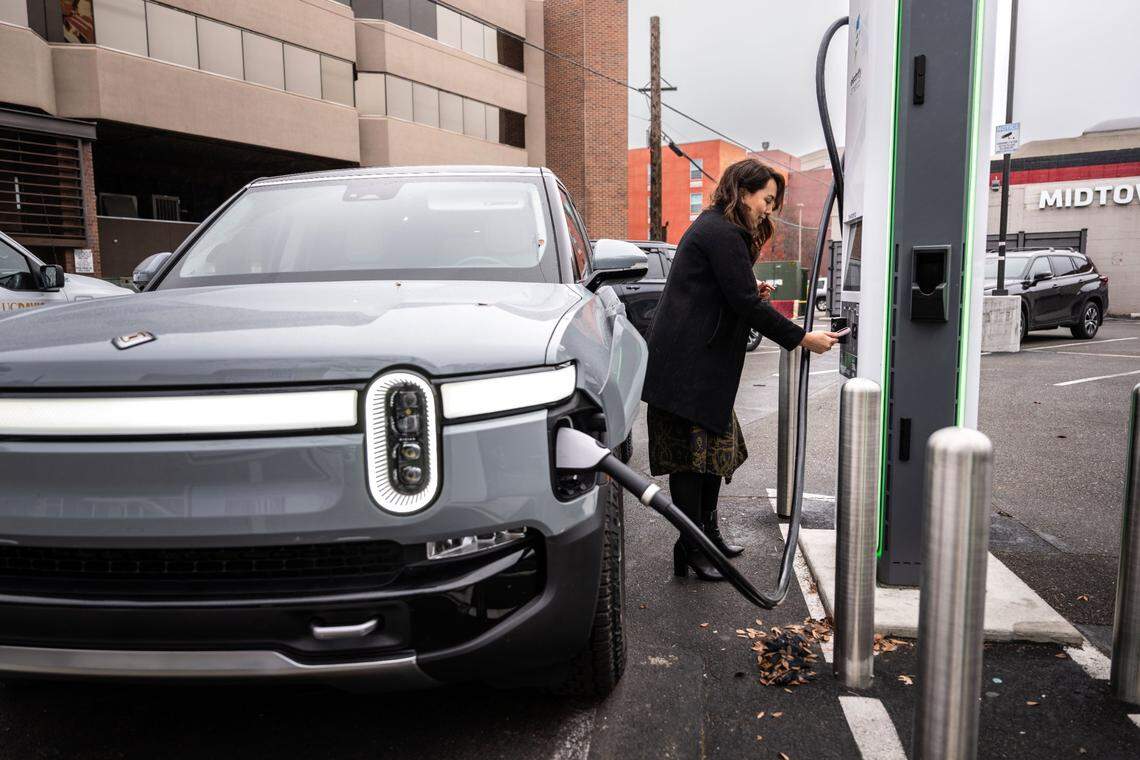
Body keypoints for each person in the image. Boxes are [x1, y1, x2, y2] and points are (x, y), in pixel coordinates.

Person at [641, 158, 840, 581]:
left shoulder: (719, 228)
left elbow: (730, 291)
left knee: (713, 457)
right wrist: (802, 338)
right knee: (690, 463)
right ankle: (692, 547)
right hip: (687, 367)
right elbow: (744, 304)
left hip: (699, 366)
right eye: (766, 200)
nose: (769, 210)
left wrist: (751, 288)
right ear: (743, 192)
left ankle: (706, 536)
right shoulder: (722, 231)